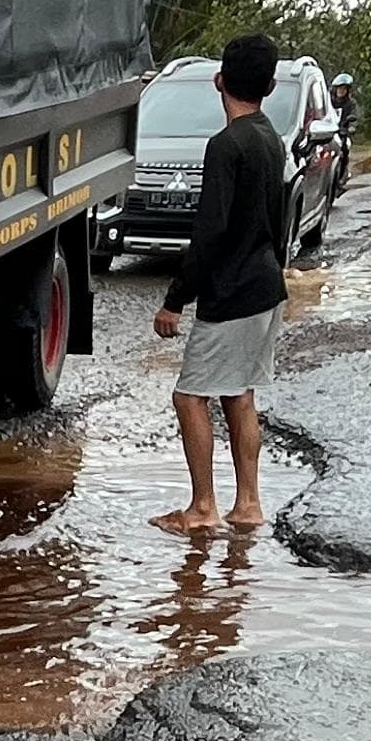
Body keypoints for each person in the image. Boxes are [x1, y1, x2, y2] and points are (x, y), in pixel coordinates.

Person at [149, 31, 292, 535]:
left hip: (231, 293)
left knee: (190, 397)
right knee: (239, 394)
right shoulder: (271, 138)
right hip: (266, 288)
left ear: (219, 81)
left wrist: (174, 302)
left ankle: (203, 508)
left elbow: (209, 233)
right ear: (270, 86)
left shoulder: (226, 145)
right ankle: (248, 504)